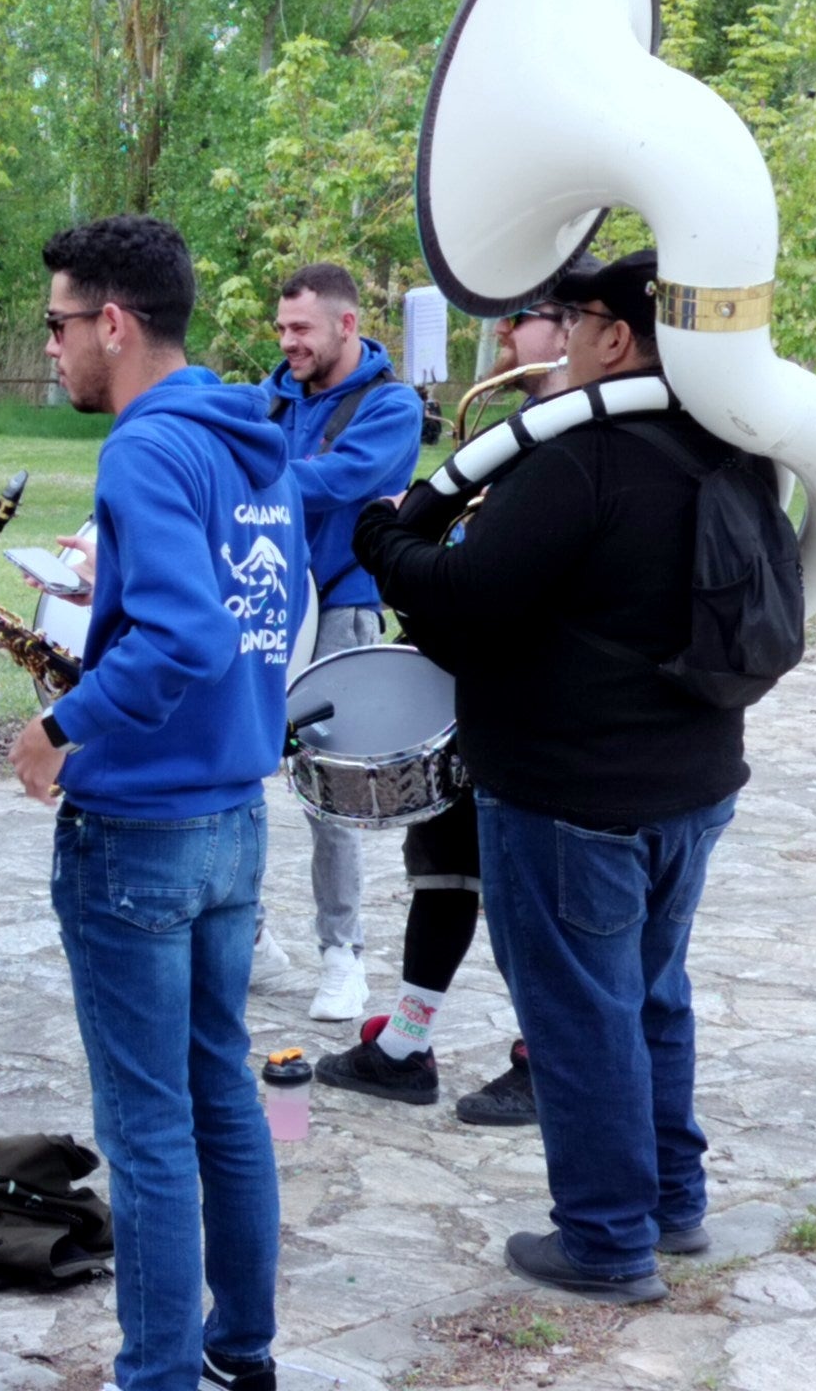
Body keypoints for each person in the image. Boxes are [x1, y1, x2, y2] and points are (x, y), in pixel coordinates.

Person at [354, 250, 748, 1304]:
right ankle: (670, 1205)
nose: (560, 340)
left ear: (616, 337)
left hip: (574, 793)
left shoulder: (582, 459)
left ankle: (606, 1242)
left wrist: (380, 539)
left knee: (582, 1015)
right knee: (652, 998)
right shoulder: (733, 444)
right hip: (691, 780)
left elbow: (465, 595)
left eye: (570, 321)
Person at [9, 214, 305, 1391]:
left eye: (57, 324)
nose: (49, 348)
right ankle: (242, 1354)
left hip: (139, 831)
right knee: (221, 1093)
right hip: (232, 815)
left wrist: (57, 725)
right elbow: (251, 614)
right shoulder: (243, 435)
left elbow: (185, 632)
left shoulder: (141, 449)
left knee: (146, 1129)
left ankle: (158, 1376)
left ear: (113, 325)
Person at [315, 279, 588, 1122]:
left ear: (576, 331)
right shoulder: (516, 434)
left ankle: (551, 1057)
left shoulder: (581, 442)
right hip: (470, 680)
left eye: (523, 319)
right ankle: (405, 1044)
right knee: (446, 864)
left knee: (520, 888)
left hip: (532, 691)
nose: (503, 333)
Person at [253, 263, 424, 1021]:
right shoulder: (270, 395)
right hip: (262, 603)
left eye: (301, 330)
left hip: (340, 614)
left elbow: (337, 481)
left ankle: (341, 956)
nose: (287, 342)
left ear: (347, 326)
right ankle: (250, 939)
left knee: (331, 794)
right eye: (282, 327)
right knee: (239, 770)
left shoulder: (390, 407)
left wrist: (245, 471)